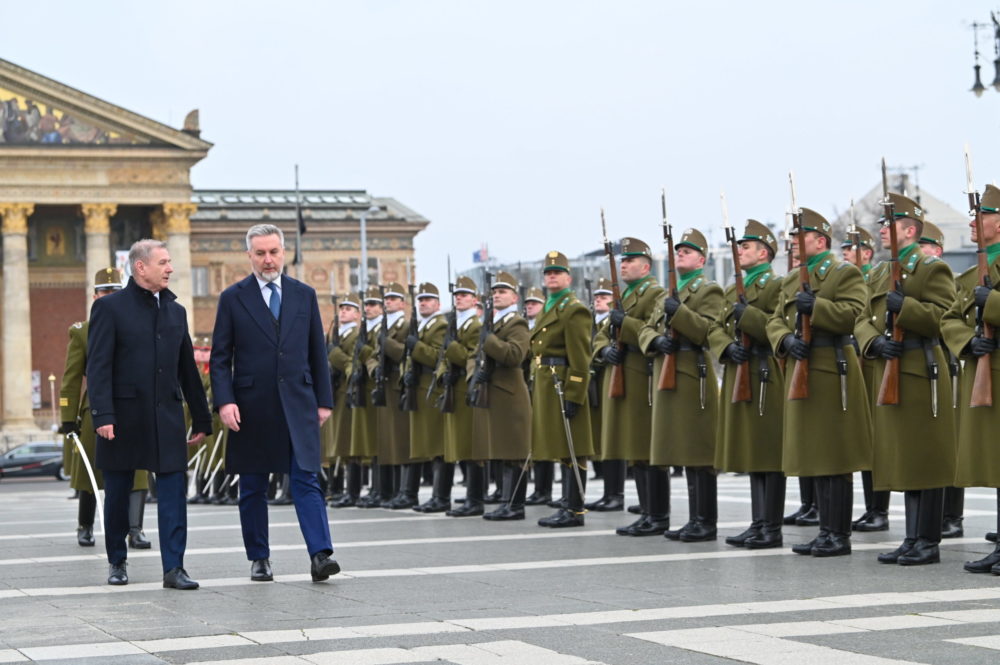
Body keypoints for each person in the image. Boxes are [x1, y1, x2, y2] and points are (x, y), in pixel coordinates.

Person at [210, 223, 339, 583]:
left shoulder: (304, 295)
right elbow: (221, 357)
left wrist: (324, 401)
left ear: (284, 252)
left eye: (274, 252)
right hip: (251, 406)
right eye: (261, 253)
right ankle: (259, 557)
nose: (268, 260)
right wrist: (225, 401)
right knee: (252, 484)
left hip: (299, 402)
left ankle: (320, 554)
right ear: (249, 255)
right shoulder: (233, 298)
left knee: (306, 479)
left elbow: (318, 351)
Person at [87, 240, 211, 588]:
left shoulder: (176, 311)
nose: (170, 268)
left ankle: (174, 568)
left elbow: (187, 368)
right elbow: (98, 367)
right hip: (123, 417)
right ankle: (117, 561)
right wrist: (102, 415)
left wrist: (202, 418)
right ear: (140, 267)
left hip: (167, 417)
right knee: (118, 491)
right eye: (163, 262)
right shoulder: (110, 309)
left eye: (170, 262)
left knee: (173, 492)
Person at [856, 194, 956, 566]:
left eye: (889, 224)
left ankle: (928, 541)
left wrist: (907, 308)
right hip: (890, 365)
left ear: (910, 230)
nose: (882, 230)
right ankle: (912, 536)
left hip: (921, 367)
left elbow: (944, 317)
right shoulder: (882, 272)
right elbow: (861, 317)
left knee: (924, 456)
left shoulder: (930, 268)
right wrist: (874, 342)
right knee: (904, 457)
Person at [766, 208, 872, 557]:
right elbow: (775, 320)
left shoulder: (843, 273)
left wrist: (818, 307)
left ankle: (839, 535)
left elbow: (854, 315)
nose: (793, 243)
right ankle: (825, 530)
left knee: (835, 455)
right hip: (802, 364)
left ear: (820, 241)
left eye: (800, 237)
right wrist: (785, 340)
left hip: (832, 366)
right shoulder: (792, 278)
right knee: (814, 451)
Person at [639, 229, 724, 542]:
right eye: (679, 251)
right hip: (668, 369)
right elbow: (646, 329)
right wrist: (656, 340)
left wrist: (681, 314)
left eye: (688, 252)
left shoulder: (709, 290)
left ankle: (706, 521)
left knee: (700, 453)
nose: (681, 255)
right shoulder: (665, 295)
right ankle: (693, 519)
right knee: (684, 452)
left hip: (692, 373)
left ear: (702, 259)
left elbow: (708, 332)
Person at [60, 268, 151, 549]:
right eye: (105, 292)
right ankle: (85, 525)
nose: (111, 297)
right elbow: (71, 379)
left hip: (133, 407)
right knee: (91, 471)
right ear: (96, 296)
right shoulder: (83, 332)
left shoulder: (138, 324)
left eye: (115, 291)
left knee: (138, 471)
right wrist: (67, 417)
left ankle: (135, 529)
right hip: (95, 409)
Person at [708, 221, 786, 549]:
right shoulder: (731, 289)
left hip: (766, 372)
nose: (740, 252)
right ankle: (758, 522)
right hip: (742, 368)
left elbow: (777, 326)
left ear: (764, 252)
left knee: (768, 452)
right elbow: (715, 327)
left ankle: (772, 527)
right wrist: (726, 346)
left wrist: (748, 315)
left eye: (746, 247)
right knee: (754, 452)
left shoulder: (775, 285)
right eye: (739, 247)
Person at [941, 184, 1000, 573]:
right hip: (984, 371)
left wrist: (990, 303)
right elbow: (948, 320)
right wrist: (967, 343)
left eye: (981, 216)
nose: (973, 223)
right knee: (994, 464)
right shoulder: (969, 274)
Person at [594, 238, 667, 536]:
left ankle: (657, 515)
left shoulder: (655, 293)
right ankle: (647, 512)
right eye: (622, 260)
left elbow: (654, 330)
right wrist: (603, 351)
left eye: (630, 260)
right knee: (635, 450)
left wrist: (627, 324)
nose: (623, 264)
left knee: (647, 449)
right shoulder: (625, 296)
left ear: (646, 266)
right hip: (624, 374)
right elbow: (600, 334)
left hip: (643, 375)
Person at [530, 251, 595, 528]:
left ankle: (574, 508)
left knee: (573, 446)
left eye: (557, 272)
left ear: (568, 277)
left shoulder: (573, 309)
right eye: (548, 273)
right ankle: (566, 504)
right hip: (547, 381)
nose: (552, 276)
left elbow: (581, 357)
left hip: (563, 382)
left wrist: (574, 393)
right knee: (561, 445)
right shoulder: (549, 307)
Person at [918, 221, 966, 539]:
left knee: (950, 442)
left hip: (947, 363)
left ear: (937, 249)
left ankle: (952, 515)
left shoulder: (942, 273)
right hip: (931, 363)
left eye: (923, 246)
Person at [841, 227, 890, 533]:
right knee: (865, 440)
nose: (845, 253)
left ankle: (879, 509)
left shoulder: (873, 278)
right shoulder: (856, 280)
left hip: (874, 363)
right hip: (860, 361)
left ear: (866, 253)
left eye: (850, 249)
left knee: (876, 440)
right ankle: (872, 507)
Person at [480, 274, 533, 520]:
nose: (497, 294)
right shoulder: (494, 323)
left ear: (514, 297)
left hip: (512, 395)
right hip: (497, 394)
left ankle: (516, 505)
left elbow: (515, 355)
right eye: (495, 291)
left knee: (516, 452)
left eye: (503, 291)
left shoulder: (517, 323)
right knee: (503, 452)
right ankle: (506, 501)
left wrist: (489, 341)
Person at [435, 276, 486, 516]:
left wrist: (451, 345)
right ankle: (469, 498)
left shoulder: (475, 326)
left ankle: (475, 499)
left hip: (467, 389)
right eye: (457, 295)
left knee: (472, 446)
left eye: (465, 295)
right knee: (459, 444)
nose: (459, 298)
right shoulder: (458, 325)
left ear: (475, 300)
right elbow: (446, 357)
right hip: (454, 388)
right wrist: (444, 371)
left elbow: (469, 357)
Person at [371, 283, 415, 509]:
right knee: (389, 442)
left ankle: (403, 491)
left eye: (393, 299)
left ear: (403, 303)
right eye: (386, 299)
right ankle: (389, 491)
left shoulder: (406, 325)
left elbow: (402, 353)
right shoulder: (386, 327)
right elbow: (376, 354)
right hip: (386, 388)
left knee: (401, 441)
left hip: (399, 386)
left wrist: (385, 342)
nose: (388, 302)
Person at [324, 293, 362, 507]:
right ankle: (338, 489)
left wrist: (334, 352)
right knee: (338, 442)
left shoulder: (356, 336)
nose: (344, 312)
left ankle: (352, 491)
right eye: (342, 309)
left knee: (349, 442)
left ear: (357, 314)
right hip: (336, 393)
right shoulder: (337, 335)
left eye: (349, 309)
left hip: (349, 392)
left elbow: (351, 363)